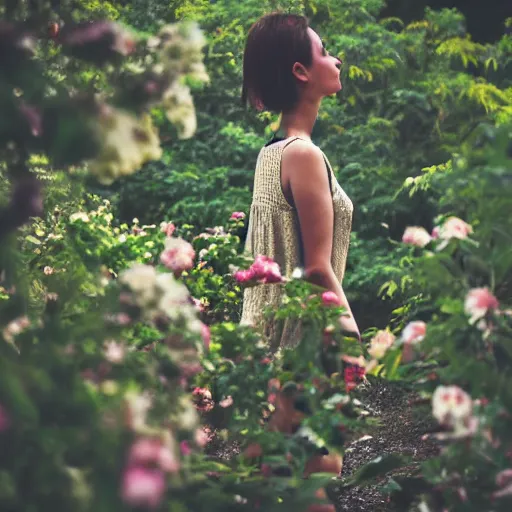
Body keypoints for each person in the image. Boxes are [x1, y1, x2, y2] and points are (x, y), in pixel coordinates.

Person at [240, 12, 360, 350]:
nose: (335, 60)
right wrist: (352, 339)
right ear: (300, 71)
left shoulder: (271, 153)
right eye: (323, 52)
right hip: (297, 355)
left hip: (263, 350)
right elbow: (318, 270)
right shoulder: (303, 155)